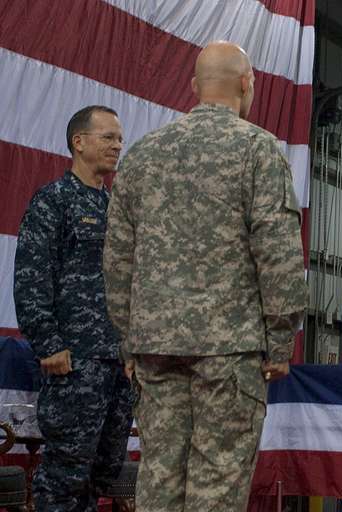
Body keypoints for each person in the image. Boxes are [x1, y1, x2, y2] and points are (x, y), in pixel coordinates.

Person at [102, 41, 307, 512]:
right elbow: (277, 256)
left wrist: (128, 340)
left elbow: (116, 261)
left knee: (157, 480)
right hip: (229, 353)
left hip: (155, 348)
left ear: (194, 87)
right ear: (246, 83)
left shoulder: (141, 155)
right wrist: (280, 342)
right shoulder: (257, 149)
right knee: (217, 485)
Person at [13, 105, 134, 511]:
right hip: (74, 362)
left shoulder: (115, 207)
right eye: (108, 137)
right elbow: (31, 278)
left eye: (119, 138)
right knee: (64, 476)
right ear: (78, 142)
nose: (117, 145)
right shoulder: (54, 201)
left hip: (116, 363)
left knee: (103, 471)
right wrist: (48, 345)